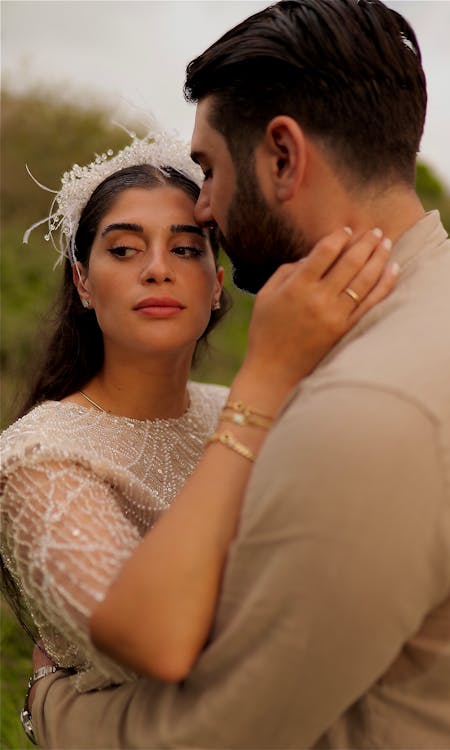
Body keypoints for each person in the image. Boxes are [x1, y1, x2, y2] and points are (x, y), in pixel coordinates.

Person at [31, 0, 450, 748]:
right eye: (123, 249)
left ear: (283, 156)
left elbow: (225, 733)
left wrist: (49, 706)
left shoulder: (367, 405)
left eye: (210, 168)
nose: (206, 206)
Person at [1, 128, 395, 738]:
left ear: (216, 285)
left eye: (186, 250)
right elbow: (158, 647)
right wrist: (264, 378)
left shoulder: (224, 408)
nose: (158, 270)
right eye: (125, 250)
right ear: (82, 281)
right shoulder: (39, 457)